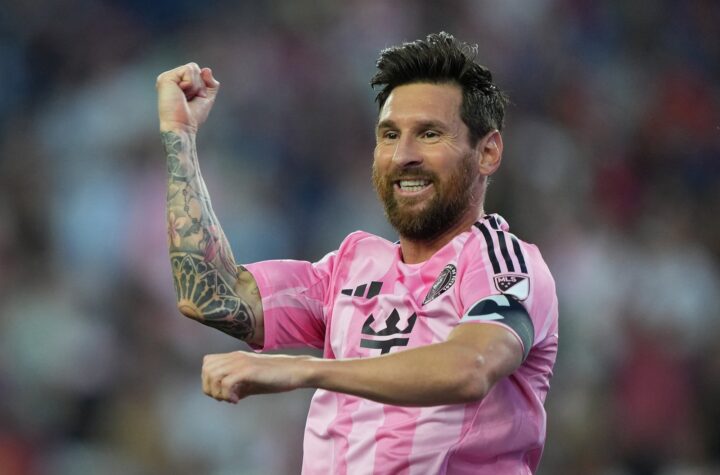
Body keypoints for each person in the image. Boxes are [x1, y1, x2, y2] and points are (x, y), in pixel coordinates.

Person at [156, 32, 558, 474]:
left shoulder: (500, 260)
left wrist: (304, 370)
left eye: (429, 134)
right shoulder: (349, 269)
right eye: (390, 135)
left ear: (488, 152)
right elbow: (210, 295)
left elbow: (472, 366)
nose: (403, 155)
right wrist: (180, 136)